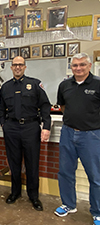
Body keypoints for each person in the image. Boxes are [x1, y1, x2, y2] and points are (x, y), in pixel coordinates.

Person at [0, 56, 51, 211]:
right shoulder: (5, 87)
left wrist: (46, 126)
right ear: (11, 67)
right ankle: (15, 193)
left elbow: (45, 106)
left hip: (30, 127)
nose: (17, 67)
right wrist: (4, 124)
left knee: (32, 163)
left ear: (25, 67)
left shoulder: (35, 84)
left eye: (20, 65)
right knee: (14, 163)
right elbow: (1, 109)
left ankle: (33, 196)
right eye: (15, 64)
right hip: (12, 128)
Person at [54, 53, 100, 225]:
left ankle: (97, 212)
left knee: (95, 176)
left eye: (82, 65)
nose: (78, 68)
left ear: (89, 66)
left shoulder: (98, 84)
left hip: (92, 135)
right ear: (71, 67)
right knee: (65, 172)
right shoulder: (64, 85)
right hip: (68, 133)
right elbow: (63, 106)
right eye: (75, 65)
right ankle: (68, 204)